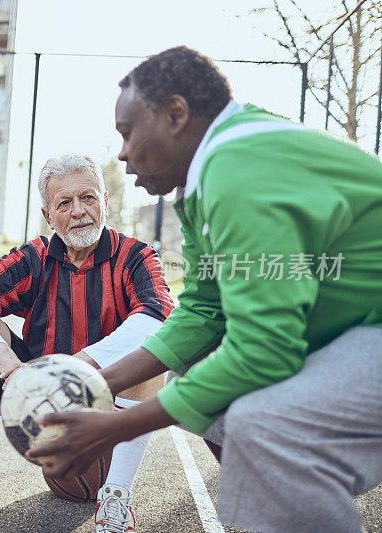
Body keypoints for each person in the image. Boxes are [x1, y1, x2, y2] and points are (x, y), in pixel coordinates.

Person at [26, 46, 382, 533]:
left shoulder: (238, 174)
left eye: (128, 132)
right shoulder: (208, 176)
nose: (124, 152)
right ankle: (281, 505)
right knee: (195, 373)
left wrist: (118, 425)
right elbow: (203, 312)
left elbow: (263, 352)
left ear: (176, 114)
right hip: (359, 324)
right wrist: (95, 388)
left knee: (260, 420)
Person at [0, 154, 174, 531]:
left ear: (105, 201)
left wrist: (80, 367)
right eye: (64, 203)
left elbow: (158, 316)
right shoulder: (36, 257)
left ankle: (117, 496)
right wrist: (4, 358)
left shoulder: (136, 256)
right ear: (49, 215)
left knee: (149, 349)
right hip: (41, 407)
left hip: (110, 409)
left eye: (88, 198)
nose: (79, 211)